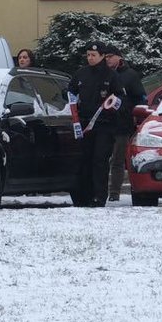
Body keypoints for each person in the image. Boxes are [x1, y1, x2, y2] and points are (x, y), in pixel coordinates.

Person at [67, 42, 124, 207]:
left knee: (100, 160)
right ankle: (85, 195)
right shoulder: (81, 73)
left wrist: (115, 104)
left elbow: (120, 97)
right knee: (85, 159)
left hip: (104, 125)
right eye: (88, 55)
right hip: (85, 125)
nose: (90, 58)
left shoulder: (111, 75)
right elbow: (71, 91)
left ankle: (99, 196)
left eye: (93, 55)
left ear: (101, 56)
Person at [103, 44, 146, 202]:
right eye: (105, 57)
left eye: (110, 56)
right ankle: (100, 191)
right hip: (104, 123)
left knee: (117, 160)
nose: (107, 60)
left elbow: (141, 98)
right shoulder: (102, 74)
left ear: (119, 57)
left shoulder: (130, 75)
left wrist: (131, 111)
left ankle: (114, 193)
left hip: (122, 124)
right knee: (101, 159)